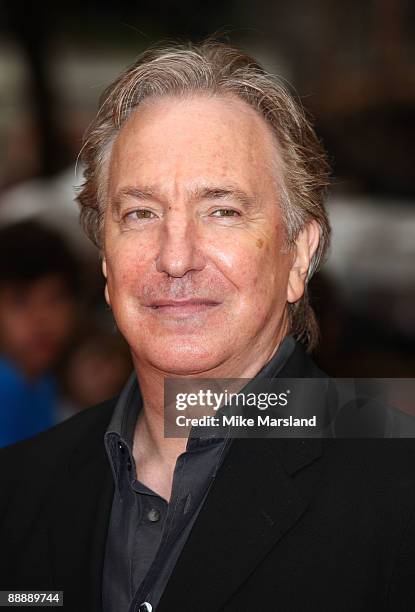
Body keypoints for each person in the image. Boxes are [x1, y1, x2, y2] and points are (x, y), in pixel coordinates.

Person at [1, 40, 415, 612]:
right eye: (140, 213)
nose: (176, 256)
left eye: (222, 210)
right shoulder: (20, 488)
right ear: (104, 262)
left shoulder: (397, 489)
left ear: (299, 255)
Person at [0, 220, 79, 446]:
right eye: (20, 302)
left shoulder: (42, 382)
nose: (41, 319)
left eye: (54, 299)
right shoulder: (9, 388)